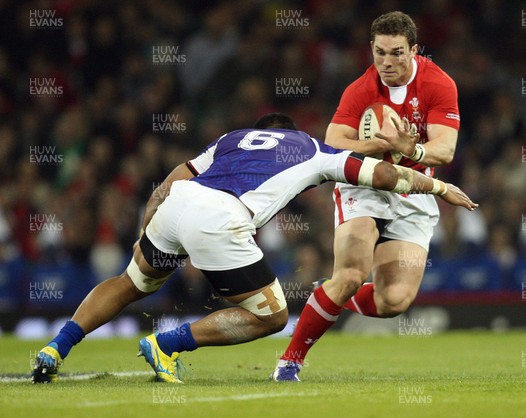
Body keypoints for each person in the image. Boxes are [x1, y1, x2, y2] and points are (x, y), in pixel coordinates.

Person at [31, 113, 476, 384]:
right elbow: (381, 176)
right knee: (274, 316)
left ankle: (55, 347)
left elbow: (172, 179)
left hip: (178, 206)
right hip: (220, 219)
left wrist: (148, 224)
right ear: (291, 134)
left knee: (131, 282)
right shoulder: (313, 150)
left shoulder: (231, 139)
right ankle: (167, 345)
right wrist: (438, 185)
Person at [273, 11, 462, 381]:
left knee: (393, 302)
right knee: (351, 273)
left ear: (414, 50)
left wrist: (413, 149)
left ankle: (328, 295)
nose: (387, 63)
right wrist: (376, 145)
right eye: (379, 53)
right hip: (365, 184)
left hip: (414, 188)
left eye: (396, 53)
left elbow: (446, 150)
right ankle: (290, 362)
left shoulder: (439, 84)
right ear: (371, 49)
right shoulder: (361, 89)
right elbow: (332, 143)